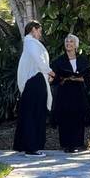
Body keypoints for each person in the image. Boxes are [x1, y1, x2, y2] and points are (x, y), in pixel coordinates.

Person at [14, 21, 53, 157]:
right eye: (39, 30)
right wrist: (50, 71)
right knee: (34, 114)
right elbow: (39, 60)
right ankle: (32, 147)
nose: (40, 33)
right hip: (35, 82)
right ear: (33, 30)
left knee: (32, 113)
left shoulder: (30, 43)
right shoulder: (30, 42)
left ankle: (30, 146)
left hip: (35, 81)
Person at [50, 34, 90, 153]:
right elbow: (53, 76)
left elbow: (89, 77)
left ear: (76, 45)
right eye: (67, 42)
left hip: (78, 91)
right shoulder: (58, 61)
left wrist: (79, 79)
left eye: (71, 42)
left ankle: (77, 143)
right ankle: (66, 144)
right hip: (64, 92)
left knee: (77, 116)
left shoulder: (83, 61)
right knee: (65, 117)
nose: (69, 44)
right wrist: (63, 78)